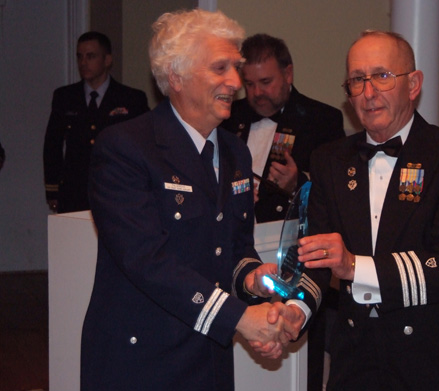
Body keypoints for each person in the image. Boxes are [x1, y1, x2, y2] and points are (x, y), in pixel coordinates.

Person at [80, 10, 308, 391]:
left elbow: (234, 247)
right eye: (220, 69)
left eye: (235, 68)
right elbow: (146, 260)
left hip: (208, 356)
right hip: (141, 360)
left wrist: (252, 277)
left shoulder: (234, 151)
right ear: (176, 76)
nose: (235, 82)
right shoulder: (125, 148)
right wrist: (239, 317)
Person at [297, 31, 439, 391]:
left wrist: (354, 266)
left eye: (382, 76)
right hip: (352, 359)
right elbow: (318, 258)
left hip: (428, 362)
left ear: (414, 84)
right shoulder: (329, 160)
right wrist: (295, 310)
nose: (368, 92)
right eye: (357, 80)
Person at [221, 33, 345, 223]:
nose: (257, 93)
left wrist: (297, 185)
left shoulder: (322, 120)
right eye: (249, 84)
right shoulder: (228, 117)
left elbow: (338, 195)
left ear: (288, 74)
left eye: (265, 82)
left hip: (287, 240)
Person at [43, 31, 149, 213]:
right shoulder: (65, 97)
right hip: (74, 193)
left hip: (118, 191)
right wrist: (53, 190)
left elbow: (145, 146)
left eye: (91, 56)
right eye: (80, 57)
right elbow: (53, 145)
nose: (83, 62)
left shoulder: (131, 99)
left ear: (107, 60)